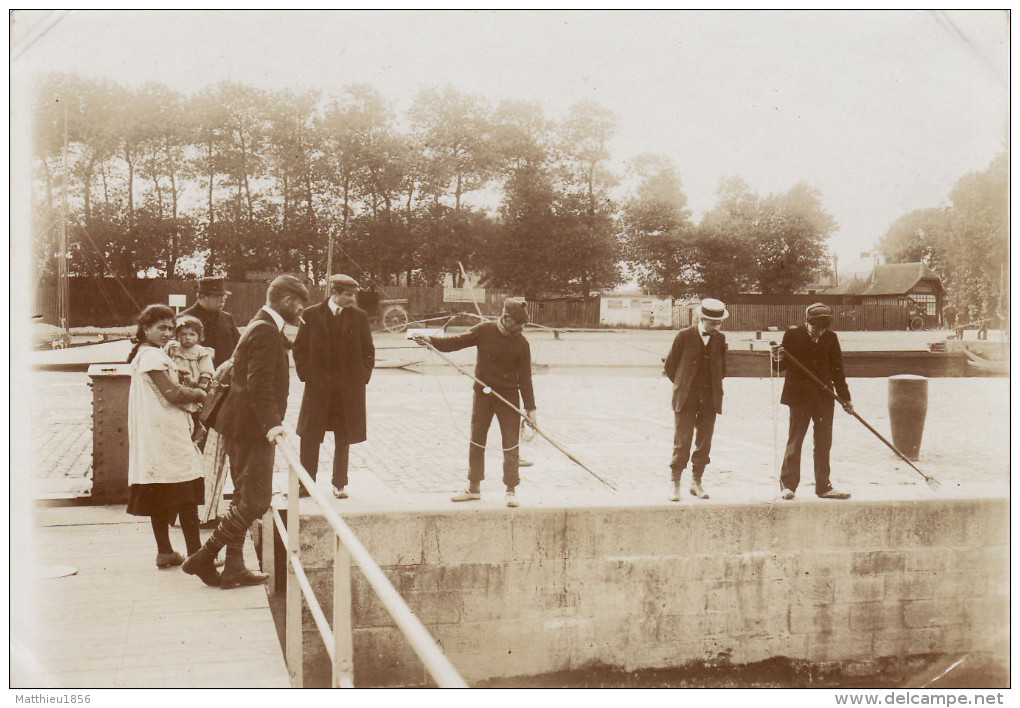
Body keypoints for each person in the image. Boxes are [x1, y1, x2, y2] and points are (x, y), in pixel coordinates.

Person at [183, 275, 309, 589]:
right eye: (300, 304)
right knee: (257, 500)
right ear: (287, 301)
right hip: (253, 428)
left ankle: (235, 568)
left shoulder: (260, 324)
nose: (302, 310)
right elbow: (259, 384)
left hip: (238, 423)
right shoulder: (266, 330)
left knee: (242, 496)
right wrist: (273, 426)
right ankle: (203, 556)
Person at [413, 298, 535, 508]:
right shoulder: (483, 330)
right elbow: (455, 342)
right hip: (483, 396)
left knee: (511, 444)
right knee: (477, 440)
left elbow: (525, 378)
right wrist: (430, 341)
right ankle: (473, 487)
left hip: (508, 398)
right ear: (505, 318)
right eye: (519, 324)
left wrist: (531, 409)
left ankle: (511, 490)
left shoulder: (522, 343)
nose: (522, 329)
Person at [125, 305, 207, 569]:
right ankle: (196, 554)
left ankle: (165, 552)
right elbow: (171, 393)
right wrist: (199, 394)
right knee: (186, 493)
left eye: (170, 328)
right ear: (145, 328)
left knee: (160, 493)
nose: (167, 333)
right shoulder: (150, 356)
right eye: (161, 328)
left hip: (157, 434)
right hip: (166, 435)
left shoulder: (149, 354)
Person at [293, 274, 375, 499]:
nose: (352, 299)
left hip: (347, 390)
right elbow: (299, 349)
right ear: (334, 292)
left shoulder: (359, 317)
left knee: (343, 436)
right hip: (318, 389)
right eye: (348, 295)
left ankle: (340, 484)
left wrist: (362, 377)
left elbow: (368, 350)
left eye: (353, 295)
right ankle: (305, 484)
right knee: (310, 436)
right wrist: (307, 375)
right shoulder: (310, 315)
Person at [771, 302, 853, 500]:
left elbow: (837, 370)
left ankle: (823, 486)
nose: (819, 332)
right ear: (808, 323)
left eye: (823, 328)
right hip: (799, 397)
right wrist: (776, 357)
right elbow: (780, 367)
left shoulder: (831, 338)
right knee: (796, 439)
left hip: (824, 398)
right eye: (816, 328)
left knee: (824, 442)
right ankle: (788, 486)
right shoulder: (792, 335)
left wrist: (845, 398)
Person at [663, 297, 728, 502]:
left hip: (710, 397)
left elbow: (722, 369)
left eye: (719, 323)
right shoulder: (683, 336)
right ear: (701, 318)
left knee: (704, 441)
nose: (716, 326)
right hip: (687, 397)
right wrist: (684, 385)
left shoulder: (720, 339)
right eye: (712, 323)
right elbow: (670, 367)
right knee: (682, 441)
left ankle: (696, 482)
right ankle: (675, 483)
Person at [165, 315, 215, 448]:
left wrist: (201, 388)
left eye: (192, 334)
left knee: (193, 412)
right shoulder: (172, 349)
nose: (187, 338)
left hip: (193, 389)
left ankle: (195, 433)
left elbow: (206, 372)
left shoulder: (201, 353)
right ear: (177, 335)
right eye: (183, 334)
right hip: (174, 387)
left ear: (199, 336)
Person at [181, 277, 240, 369]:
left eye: (223, 296)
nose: (222, 300)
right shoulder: (184, 319)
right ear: (203, 297)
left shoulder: (227, 318)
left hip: (226, 375)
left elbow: (239, 347)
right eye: (217, 296)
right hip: (196, 377)